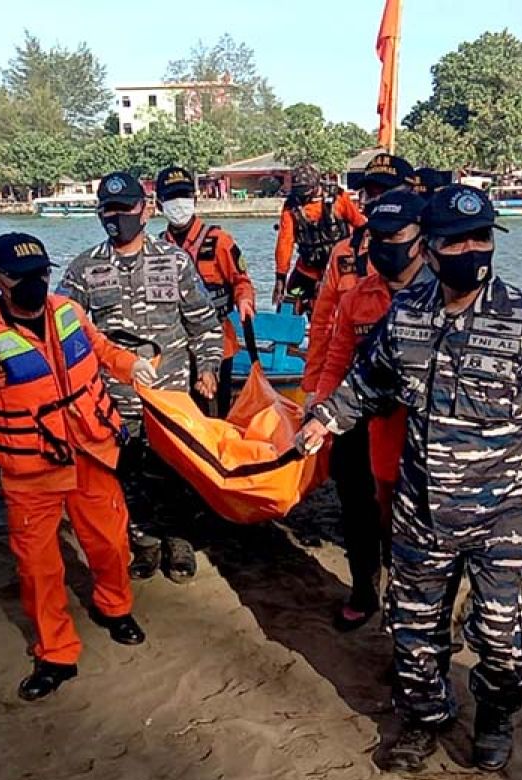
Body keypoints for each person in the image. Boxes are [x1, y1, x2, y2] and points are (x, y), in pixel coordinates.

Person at [298, 185, 522, 773]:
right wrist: (324, 420)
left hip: (504, 513)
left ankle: (493, 716)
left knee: (505, 637)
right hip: (420, 507)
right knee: (413, 635)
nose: (472, 249)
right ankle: (424, 718)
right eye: (457, 241)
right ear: (432, 249)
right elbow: (368, 383)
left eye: (482, 238)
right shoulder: (406, 317)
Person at [0, 233, 153, 700]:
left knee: (113, 545)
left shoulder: (69, 312)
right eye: (22, 276)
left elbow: (100, 349)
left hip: (91, 452)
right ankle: (56, 653)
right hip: (30, 471)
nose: (36, 283)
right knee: (39, 570)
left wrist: (131, 365)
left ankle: (114, 607)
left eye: (42, 273)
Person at [58, 171, 222, 582]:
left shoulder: (174, 260)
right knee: (126, 474)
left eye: (124, 209)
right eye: (108, 210)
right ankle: (143, 542)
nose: (116, 218)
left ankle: (178, 543)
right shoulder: (84, 269)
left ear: (145, 211)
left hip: (172, 393)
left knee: (175, 469)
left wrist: (208, 367)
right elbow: (62, 332)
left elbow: (203, 324)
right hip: (114, 397)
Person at [314, 190, 432, 631]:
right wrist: (319, 409)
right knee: (357, 508)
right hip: (356, 416)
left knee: (414, 520)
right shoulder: (357, 296)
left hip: (420, 427)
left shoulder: (448, 293)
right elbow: (335, 357)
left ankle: (414, 605)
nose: (385, 245)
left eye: (395, 235)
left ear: (422, 237)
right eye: (376, 237)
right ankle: (365, 587)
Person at [302, 154, 414, 404]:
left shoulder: (431, 253)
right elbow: (323, 325)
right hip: (351, 387)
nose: (376, 200)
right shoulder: (344, 253)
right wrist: (314, 388)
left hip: (412, 390)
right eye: (370, 192)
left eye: (384, 191)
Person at [156, 166, 256, 417]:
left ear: (195, 199)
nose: (178, 203)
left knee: (214, 417)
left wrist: (244, 301)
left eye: (184, 195)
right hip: (173, 349)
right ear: (159, 204)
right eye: (171, 198)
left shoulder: (219, 241)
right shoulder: (156, 249)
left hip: (218, 344)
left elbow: (241, 281)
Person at [273, 163, 366, 313]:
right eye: (298, 192)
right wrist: (280, 278)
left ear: (316, 186)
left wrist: (361, 261)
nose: (301, 197)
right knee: (288, 303)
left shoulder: (338, 198)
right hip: (307, 268)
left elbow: (360, 225)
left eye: (304, 192)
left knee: (346, 305)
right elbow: (285, 242)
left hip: (340, 268)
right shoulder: (291, 206)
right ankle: (291, 327)